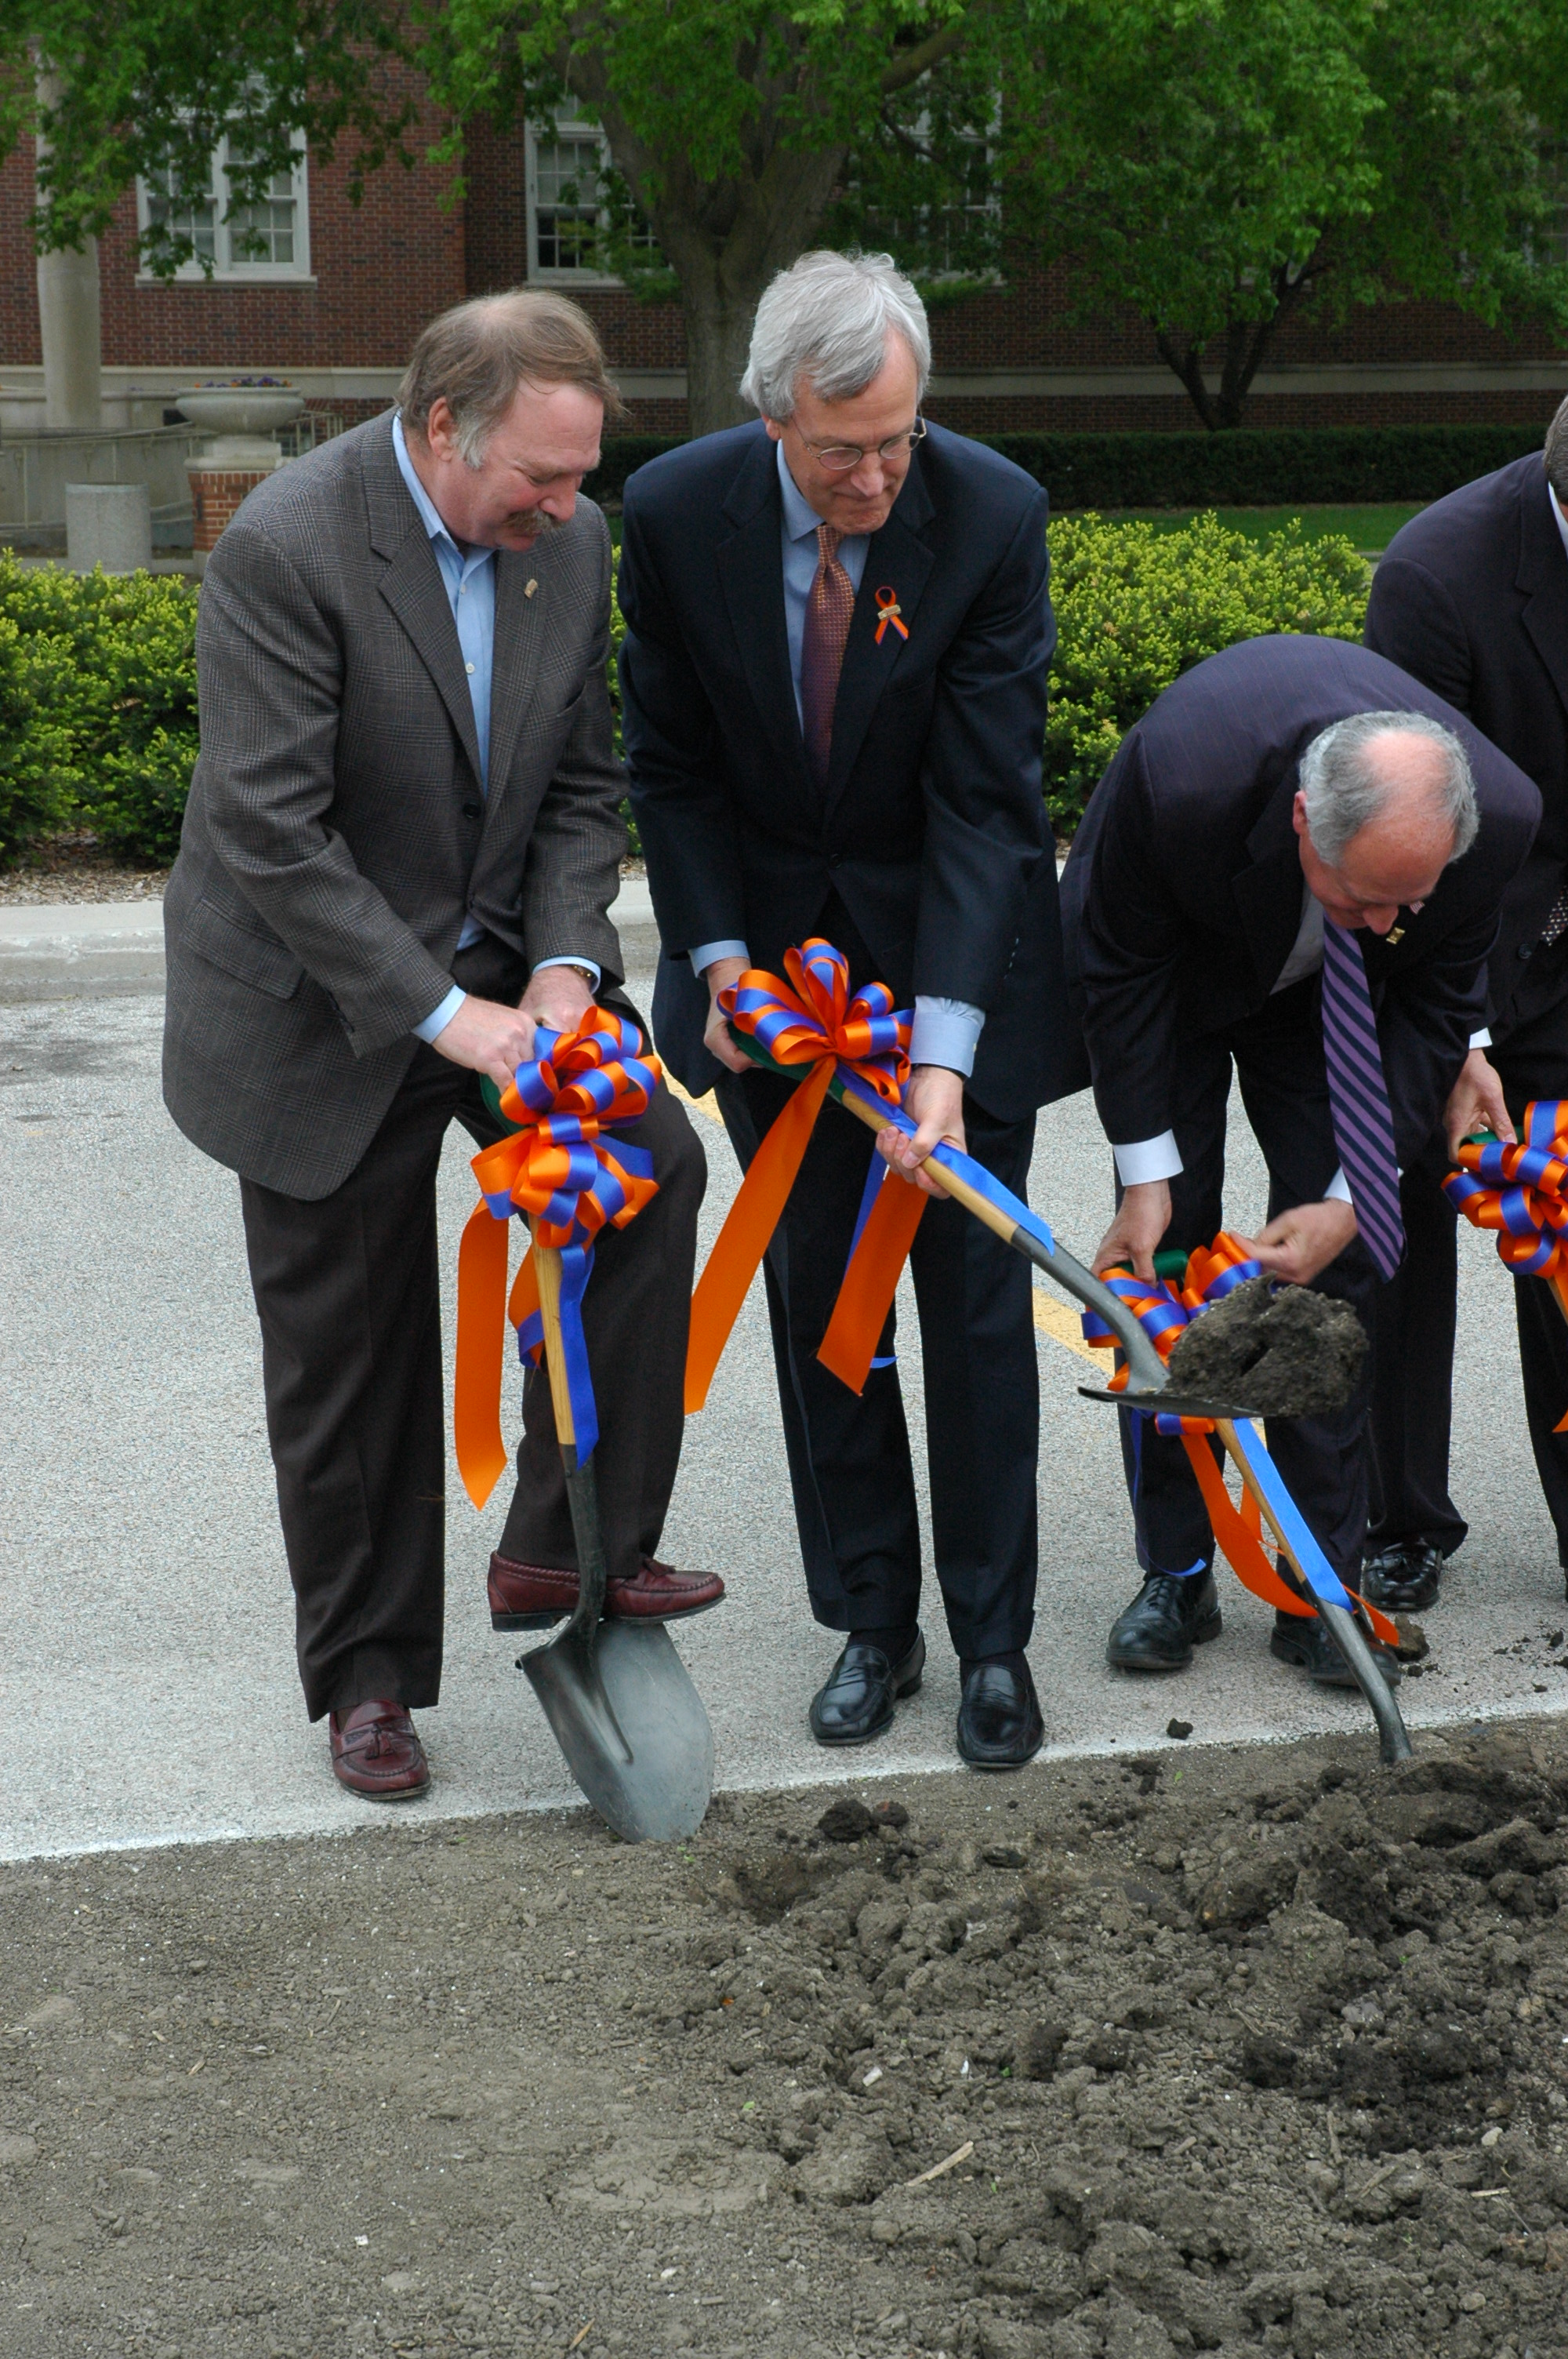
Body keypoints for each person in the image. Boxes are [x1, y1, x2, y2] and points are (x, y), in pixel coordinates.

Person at [163, 290, 717, 1802]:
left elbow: (584, 785)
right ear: (441, 429)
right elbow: (271, 830)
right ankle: (370, 1679)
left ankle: (565, 1547)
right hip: (312, 997)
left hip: (502, 968)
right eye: (541, 475)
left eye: (583, 473)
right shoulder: (289, 545)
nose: (568, 505)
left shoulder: (569, 544)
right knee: (356, 1348)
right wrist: (448, 1014)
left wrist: (563, 970)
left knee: (653, 1167)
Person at [619, 250, 1084, 1769]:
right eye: (842, 451)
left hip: (952, 967)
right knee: (827, 1305)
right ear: (772, 417)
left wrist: (941, 1056)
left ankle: (994, 1641)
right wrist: (719, 964)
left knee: (975, 1315)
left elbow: (987, 804)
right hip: (773, 997)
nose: (878, 476)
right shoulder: (675, 514)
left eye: (898, 439)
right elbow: (673, 764)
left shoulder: (990, 515)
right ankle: (870, 1619)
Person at [1059, 634, 1540, 1685]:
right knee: (1168, 1264)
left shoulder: (1496, 817)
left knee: (1335, 1275)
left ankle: (1318, 1578)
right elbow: (1122, 971)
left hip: (1333, 1000)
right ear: (1302, 821)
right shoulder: (1184, 780)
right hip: (1177, 975)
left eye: (1407, 902)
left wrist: (1350, 1196)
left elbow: (1436, 1003)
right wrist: (1146, 1177)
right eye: (1365, 895)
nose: (1387, 920)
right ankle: (1176, 1570)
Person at [1361, 398, 1568, 1612]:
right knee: (1405, 1210)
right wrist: (1465, 1035)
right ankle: (1402, 1519)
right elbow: (1418, 836)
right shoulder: (1437, 578)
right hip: (1450, 935)